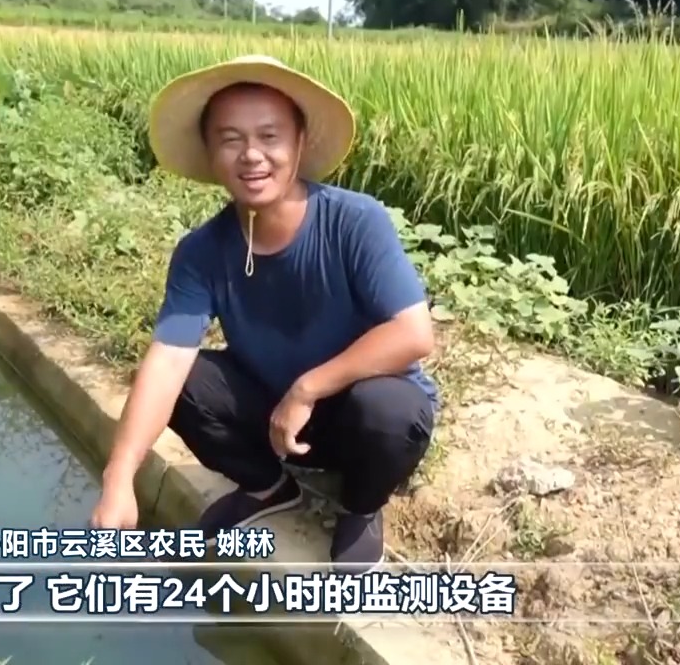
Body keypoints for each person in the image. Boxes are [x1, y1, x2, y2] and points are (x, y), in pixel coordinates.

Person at [89, 54, 439, 573]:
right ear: (210, 153)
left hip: (357, 418)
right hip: (274, 419)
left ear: (300, 143)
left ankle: (361, 506)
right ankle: (268, 486)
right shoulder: (202, 251)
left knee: (390, 409)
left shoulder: (354, 221)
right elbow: (167, 360)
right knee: (184, 382)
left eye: (270, 136)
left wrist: (307, 388)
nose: (252, 155)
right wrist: (118, 478)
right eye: (230, 139)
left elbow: (413, 334)